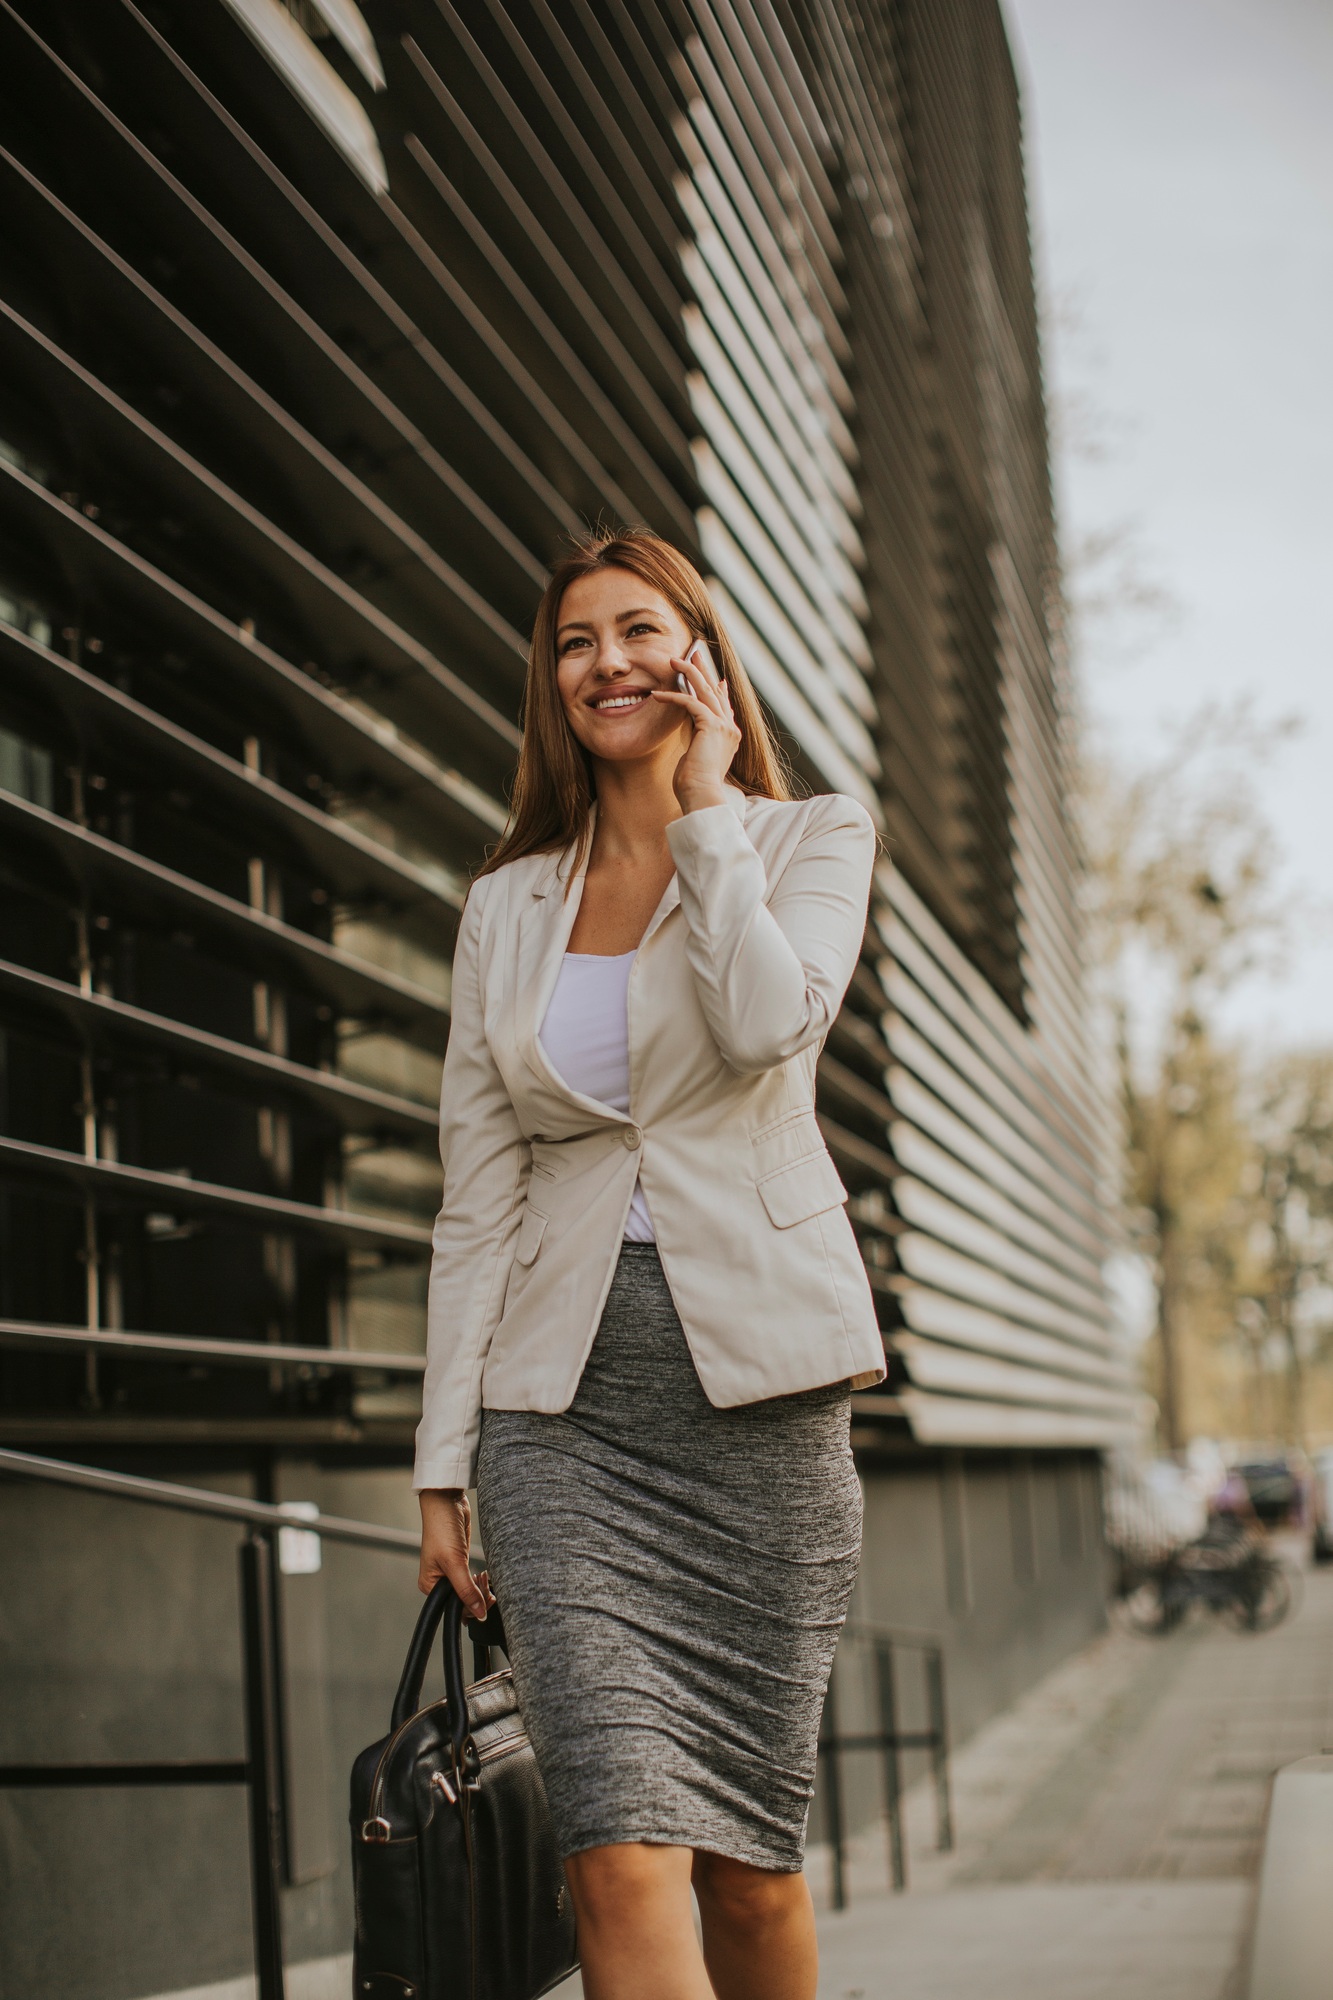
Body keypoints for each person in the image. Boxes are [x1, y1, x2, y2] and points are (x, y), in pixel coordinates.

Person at [414, 527, 885, 2000]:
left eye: (636, 631)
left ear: (696, 653)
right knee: (615, 1848)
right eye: (573, 642)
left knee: (748, 1867)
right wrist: (442, 1464)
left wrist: (702, 816)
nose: (605, 663)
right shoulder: (505, 904)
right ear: (548, 681)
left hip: (754, 1397)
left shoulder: (810, 836)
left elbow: (762, 1029)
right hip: (559, 1417)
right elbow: (475, 1194)